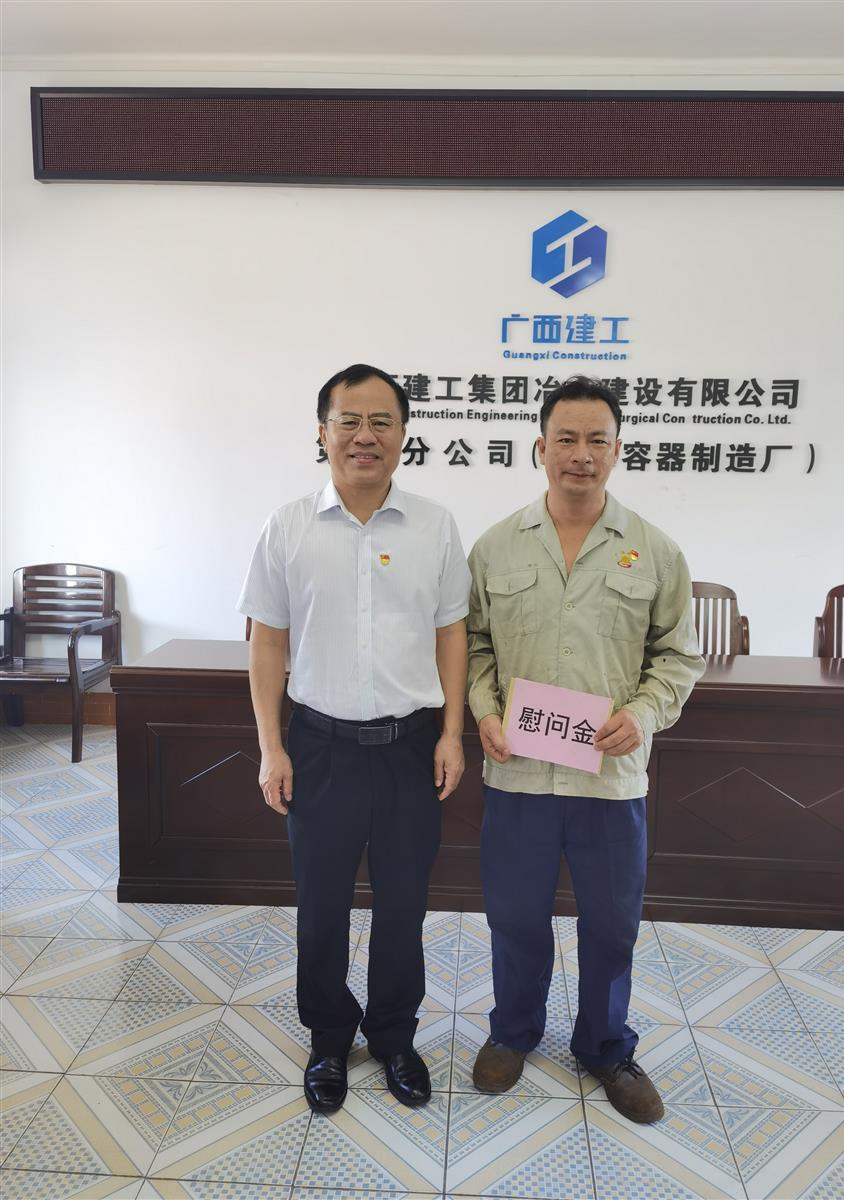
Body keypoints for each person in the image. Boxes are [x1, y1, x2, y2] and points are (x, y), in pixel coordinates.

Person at [466, 376, 704, 1123]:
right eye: (565, 439)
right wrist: (484, 709)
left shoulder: (654, 551)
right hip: (519, 771)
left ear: (617, 449)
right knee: (514, 914)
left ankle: (605, 1046)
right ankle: (513, 1031)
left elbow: (678, 656)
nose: (580, 454)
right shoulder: (496, 546)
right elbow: (472, 645)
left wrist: (643, 712)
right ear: (540, 448)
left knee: (610, 923)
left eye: (596, 439)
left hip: (609, 777)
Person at [238, 364, 470, 1114]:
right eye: (349, 421)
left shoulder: (435, 525)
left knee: (404, 905)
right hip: (320, 748)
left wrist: (452, 733)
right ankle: (329, 1038)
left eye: (381, 422)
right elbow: (267, 643)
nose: (364, 436)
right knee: (321, 908)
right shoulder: (286, 526)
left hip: (410, 747)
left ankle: (395, 1036)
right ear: (323, 432)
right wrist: (272, 747)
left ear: (403, 435)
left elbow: (452, 635)